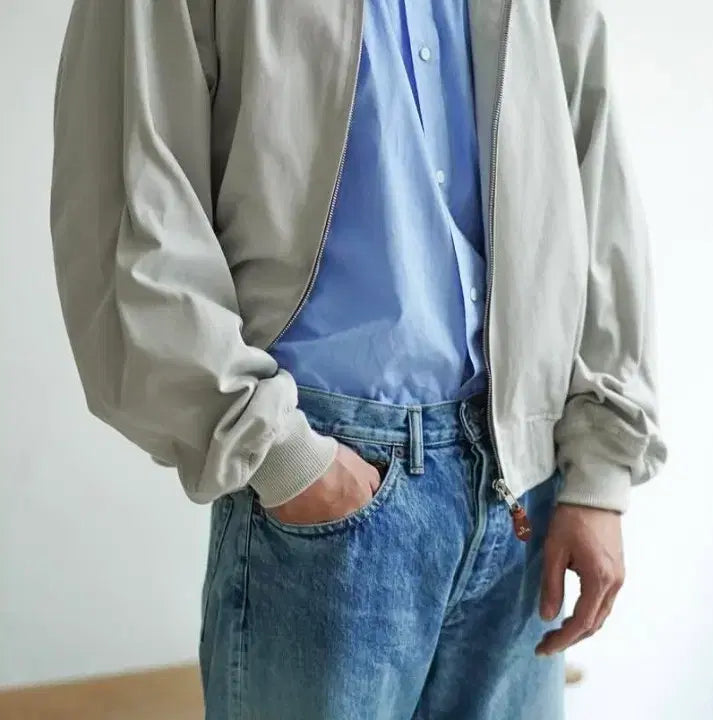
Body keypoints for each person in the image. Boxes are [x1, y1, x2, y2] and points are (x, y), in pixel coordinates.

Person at [50, 1, 667, 718]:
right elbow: (133, 199)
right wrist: (287, 460)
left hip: (525, 486)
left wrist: (599, 472)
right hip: (320, 483)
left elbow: (594, 168)